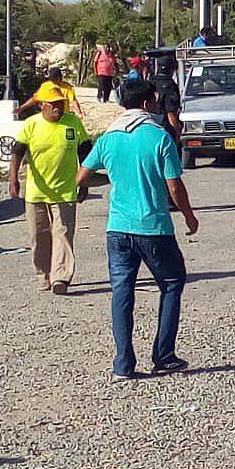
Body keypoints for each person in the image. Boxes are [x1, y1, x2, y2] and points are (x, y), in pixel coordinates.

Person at [77, 80, 198, 381]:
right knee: (171, 282)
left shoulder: (108, 138)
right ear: (147, 104)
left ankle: (123, 364)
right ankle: (164, 355)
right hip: (153, 227)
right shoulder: (159, 137)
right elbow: (174, 185)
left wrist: (114, 179)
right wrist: (188, 216)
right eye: (155, 101)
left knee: (121, 293)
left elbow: (81, 178)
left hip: (117, 228)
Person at [7, 84, 90, 295]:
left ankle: (61, 276)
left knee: (63, 233)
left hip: (66, 189)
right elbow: (17, 153)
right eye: (52, 104)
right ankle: (43, 274)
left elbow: (86, 154)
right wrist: (13, 178)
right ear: (41, 105)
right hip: (36, 191)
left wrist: (85, 182)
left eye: (60, 103)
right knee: (39, 236)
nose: (57, 108)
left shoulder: (72, 123)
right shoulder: (30, 125)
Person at [19, 67, 85, 117]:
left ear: (60, 77)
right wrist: (22, 108)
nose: (53, 80)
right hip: (48, 115)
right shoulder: (46, 85)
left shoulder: (67, 87)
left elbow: (73, 101)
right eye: (51, 78)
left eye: (55, 78)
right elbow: (35, 99)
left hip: (63, 116)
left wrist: (79, 113)